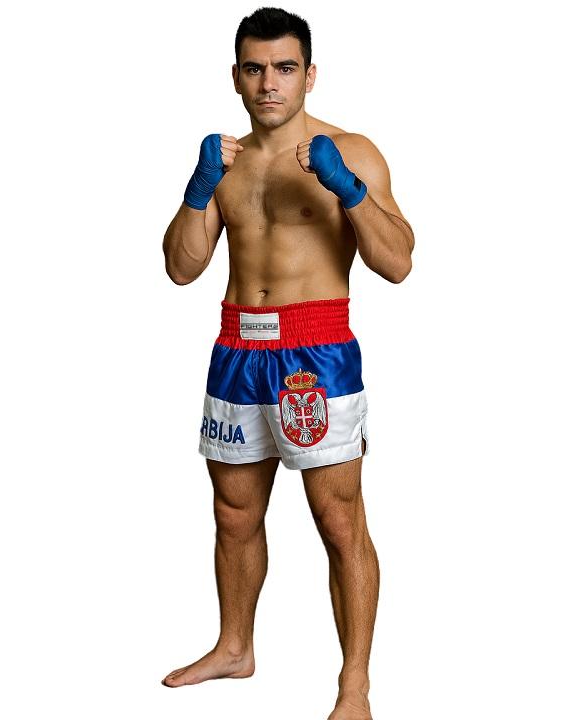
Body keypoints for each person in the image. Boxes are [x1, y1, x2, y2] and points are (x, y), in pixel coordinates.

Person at [161, 7, 414, 719]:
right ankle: (234, 647)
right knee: (233, 513)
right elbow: (181, 268)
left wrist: (348, 188)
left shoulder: (352, 150)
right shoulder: (226, 161)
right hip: (237, 349)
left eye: (284, 68)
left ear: (309, 74)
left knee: (338, 519)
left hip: (316, 351)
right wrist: (198, 189)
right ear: (236, 77)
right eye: (254, 68)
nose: (268, 83)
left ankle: (354, 686)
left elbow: (398, 262)